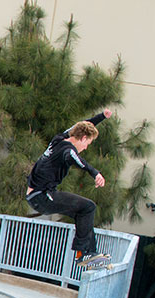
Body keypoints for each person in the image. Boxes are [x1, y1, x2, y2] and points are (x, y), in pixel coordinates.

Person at [25, 109, 112, 265]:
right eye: (88, 143)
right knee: (89, 207)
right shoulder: (68, 150)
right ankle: (84, 253)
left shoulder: (59, 138)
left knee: (84, 214)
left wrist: (101, 117)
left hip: (37, 196)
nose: (85, 148)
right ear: (83, 138)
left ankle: (88, 252)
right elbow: (76, 159)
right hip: (43, 196)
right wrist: (95, 173)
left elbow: (82, 125)